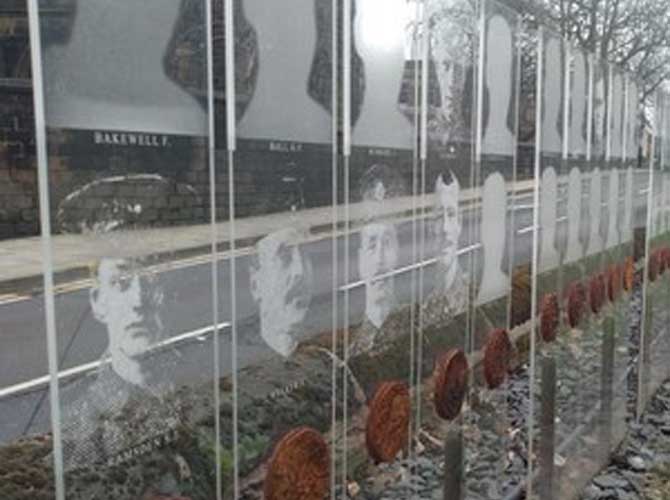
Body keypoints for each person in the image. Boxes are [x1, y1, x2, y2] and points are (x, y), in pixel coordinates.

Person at [56, 175, 196, 473]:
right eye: (120, 281)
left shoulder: (192, 377)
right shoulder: (81, 419)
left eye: (151, 277)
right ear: (98, 301)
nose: (138, 299)